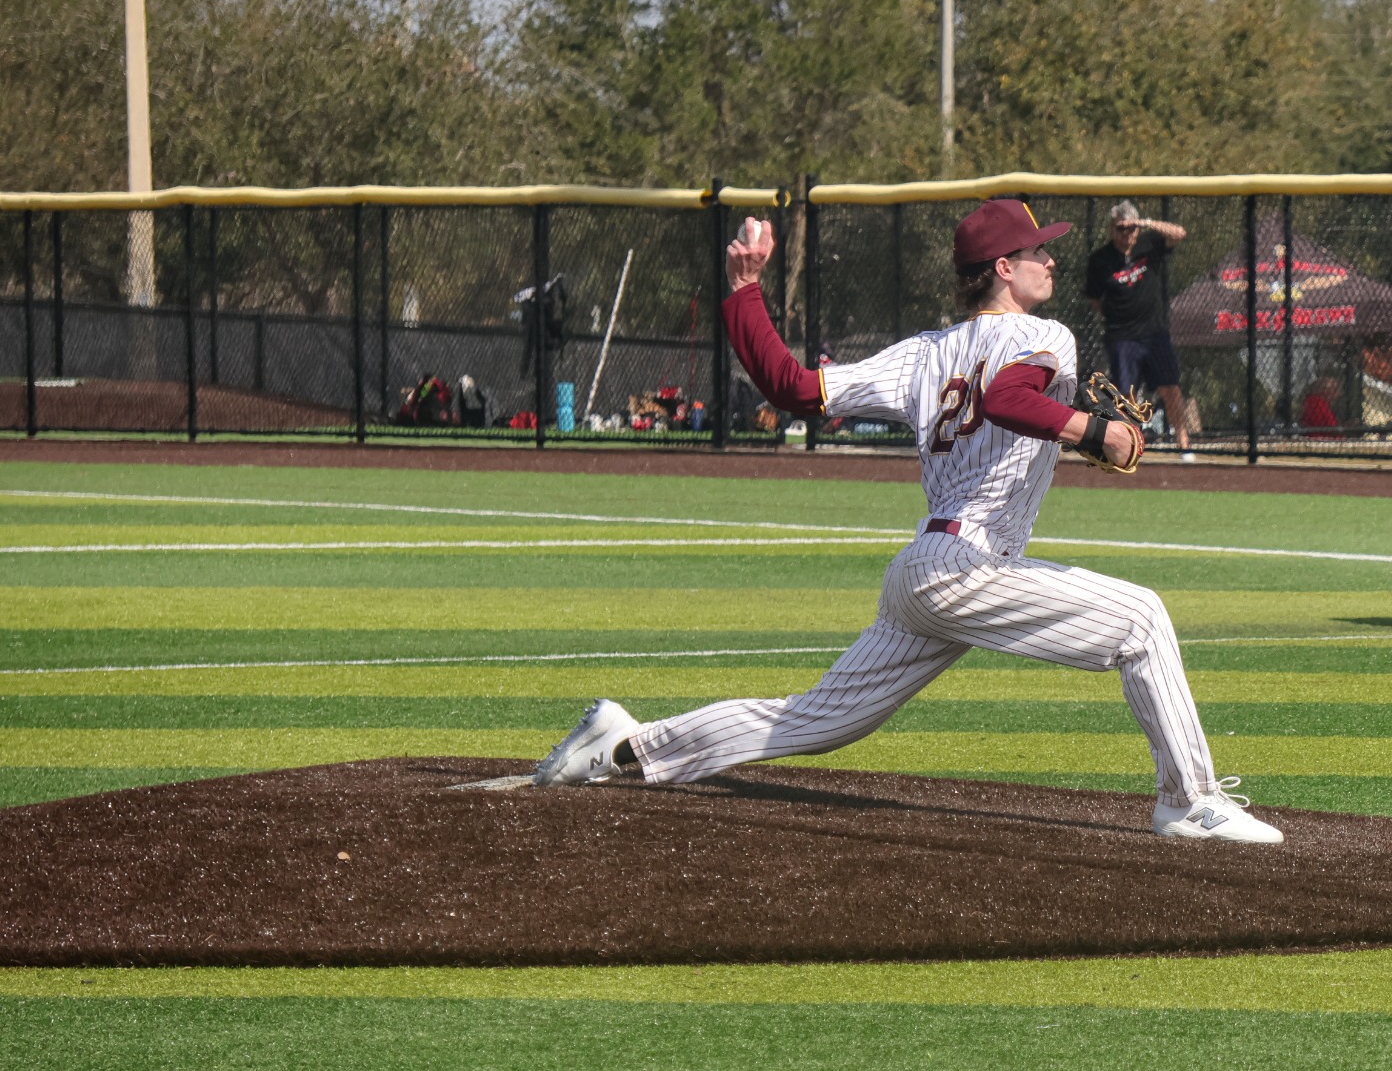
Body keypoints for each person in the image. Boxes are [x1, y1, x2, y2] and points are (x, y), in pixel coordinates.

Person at [532, 198, 1281, 843]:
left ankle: (626, 745)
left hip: (926, 572)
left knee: (815, 722)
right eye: (1035, 252)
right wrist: (1095, 431)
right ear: (1000, 269)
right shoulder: (1046, 337)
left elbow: (792, 388)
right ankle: (1191, 803)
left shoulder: (922, 354)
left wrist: (746, 292)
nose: (1050, 261)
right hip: (968, 567)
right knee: (1143, 620)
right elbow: (1005, 399)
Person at [1085, 200, 1195, 460]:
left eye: (1131, 229)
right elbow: (1096, 299)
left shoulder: (1149, 245)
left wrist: (1144, 223)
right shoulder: (1100, 260)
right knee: (1126, 394)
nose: (1127, 234)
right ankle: (1129, 447)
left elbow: (1179, 233)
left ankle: (1185, 446)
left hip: (1154, 333)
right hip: (1122, 336)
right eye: (1121, 228)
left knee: (1171, 388)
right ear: (1112, 229)